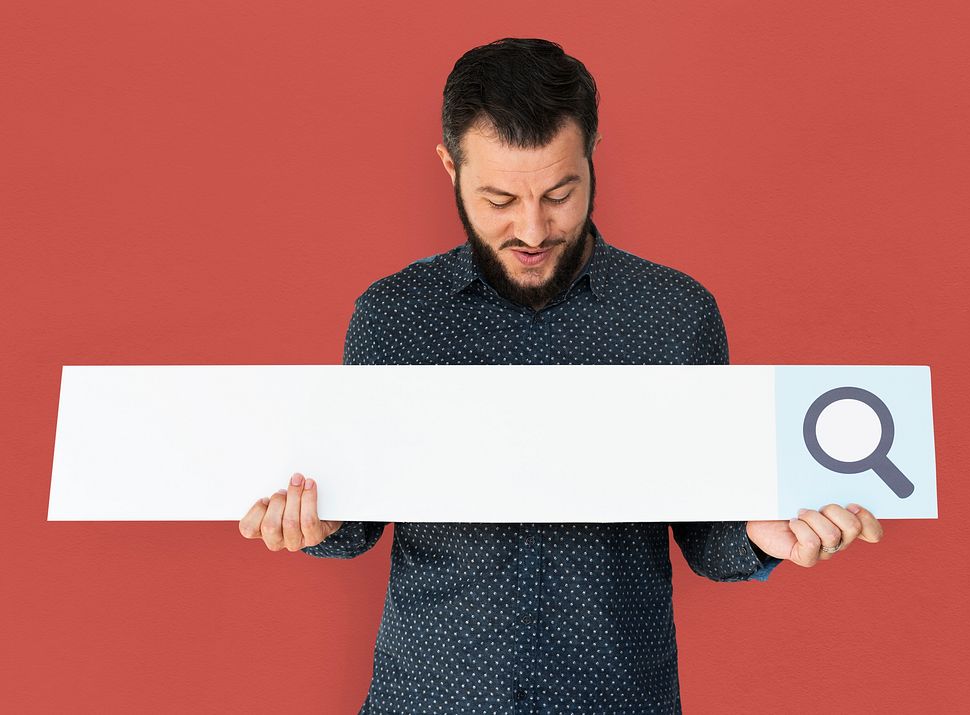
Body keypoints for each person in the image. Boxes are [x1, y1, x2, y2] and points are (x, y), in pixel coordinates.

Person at [238, 37, 884, 713]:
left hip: (619, 698)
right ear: (449, 169)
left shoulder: (675, 315)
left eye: (559, 192)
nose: (533, 228)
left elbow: (706, 530)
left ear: (591, 158)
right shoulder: (393, 317)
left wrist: (756, 536)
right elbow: (355, 522)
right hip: (428, 696)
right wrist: (310, 525)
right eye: (498, 198)